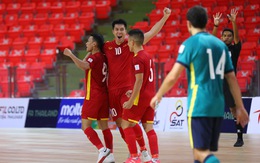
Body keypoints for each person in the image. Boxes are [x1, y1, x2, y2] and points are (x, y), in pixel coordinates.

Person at [150, 6, 249, 163]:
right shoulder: (221, 46)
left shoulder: (190, 44)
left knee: (200, 153)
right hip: (217, 105)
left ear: (188, 24)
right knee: (203, 152)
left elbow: (173, 76)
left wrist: (158, 94)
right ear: (207, 22)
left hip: (199, 103)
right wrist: (241, 106)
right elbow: (232, 79)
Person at [103, 7, 171, 159]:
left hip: (128, 89)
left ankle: (138, 153)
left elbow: (152, 32)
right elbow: (94, 53)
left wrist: (164, 17)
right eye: (117, 30)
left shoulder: (132, 44)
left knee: (129, 124)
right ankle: (142, 154)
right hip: (112, 91)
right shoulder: (107, 46)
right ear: (113, 31)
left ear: (125, 31)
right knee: (122, 127)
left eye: (122, 29)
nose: (119, 32)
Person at [63, 34, 114, 163]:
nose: (86, 43)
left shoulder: (94, 58)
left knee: (85, 126)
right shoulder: (103, 57)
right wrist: (89, 51)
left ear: (95, 44)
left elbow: (83, 66)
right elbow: (85, 62)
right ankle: (110, 154)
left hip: (93, 96)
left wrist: (70, 55)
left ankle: (102, 150)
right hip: (104, 95)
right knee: (104, 127)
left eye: (89, 41)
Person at [121, 29, 159, 163]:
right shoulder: (148, 56)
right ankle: (155, 159)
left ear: (132, 42)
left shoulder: (137, 58)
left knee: (126, 124)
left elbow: (139, 80)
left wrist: (131, 100)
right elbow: (145, 81)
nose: (127, 45)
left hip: (141, 98)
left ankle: (134, 157)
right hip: (151, 96)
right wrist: (133, 91)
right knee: (149, 128)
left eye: (128, 42)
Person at [212, 9, 244, 147]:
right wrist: (216, 25)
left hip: (229, 84)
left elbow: (237, 39)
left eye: (229, 36)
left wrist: (234, 22)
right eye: (224, 35)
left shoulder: (234, 49)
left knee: (233, 110)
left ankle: (239, 137)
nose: (226, 37)